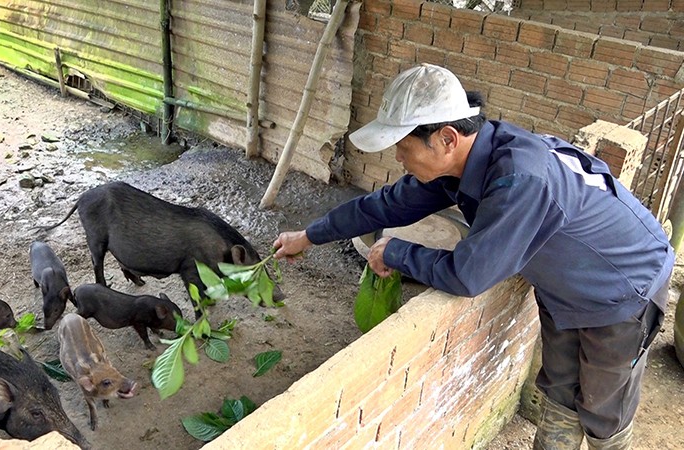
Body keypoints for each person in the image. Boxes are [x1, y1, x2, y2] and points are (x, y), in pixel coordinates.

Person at [273, 63, 673, 450]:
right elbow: (383, 206)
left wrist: (396, 251)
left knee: (604, 409)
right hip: (563, 288)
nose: (398, 158)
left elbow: (468, 275)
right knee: (560, 389)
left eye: (403, 147)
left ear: (447, 138)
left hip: (622, 289)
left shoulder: (518, 178)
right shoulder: (461, 164)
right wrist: (307, 236)